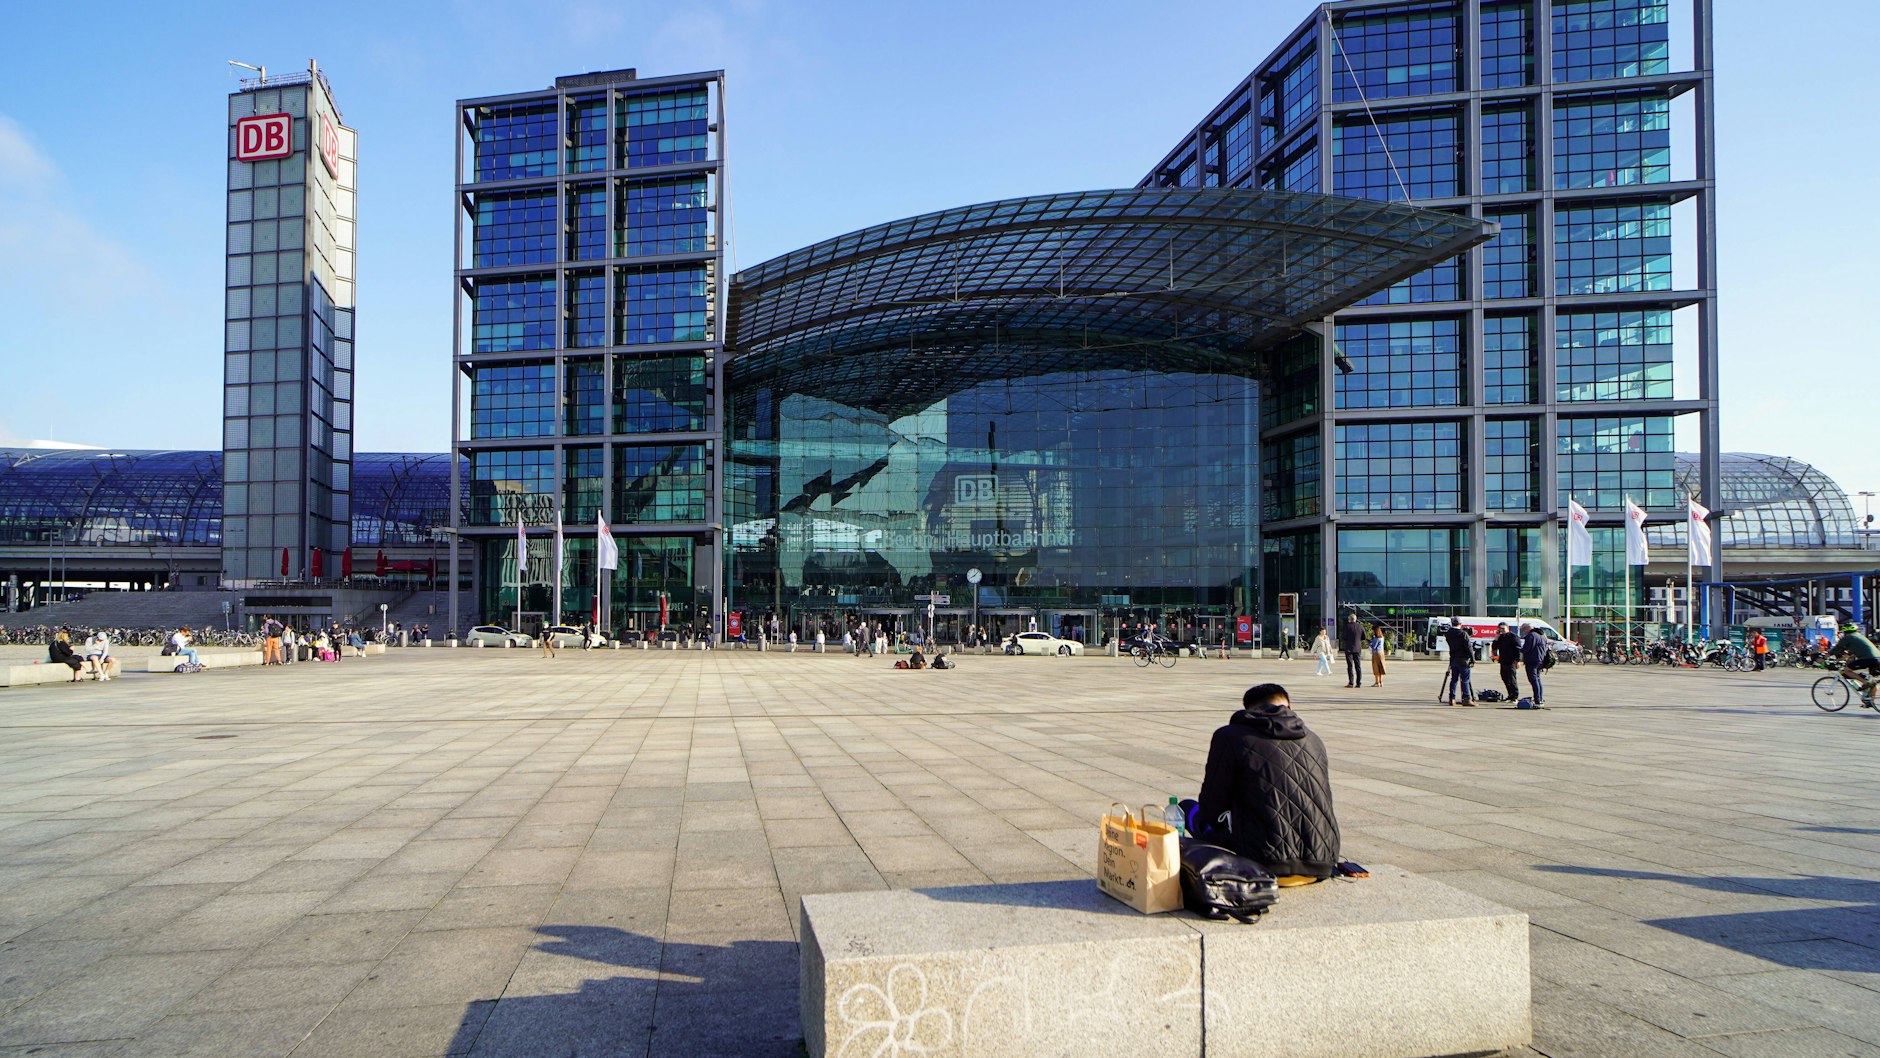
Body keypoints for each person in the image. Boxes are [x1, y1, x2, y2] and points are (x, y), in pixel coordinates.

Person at [1192, 683, 1341, 882]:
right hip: (1321, 862)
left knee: (1189, 810)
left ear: (1249, 709)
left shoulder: (1229, 735)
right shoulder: (1314, 739)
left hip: (1261, 861)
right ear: (1289, 707)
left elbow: (1211, 807)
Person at [1827, 624, 1880, 704]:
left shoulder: (1848, 637)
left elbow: (1837, 648)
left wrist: (1826, 656)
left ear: (1845, 632)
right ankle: (1870, 701)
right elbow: (1849, 654)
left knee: (1846, 670)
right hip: (1877, 659)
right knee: (1872, 682)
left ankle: (1865, 683)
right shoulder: (1858, 637)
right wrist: (1839, 660)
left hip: (1867, 658)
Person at [1442, 618, 1475, 705]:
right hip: (1463, 659)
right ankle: (1466, 699)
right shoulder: (1463, 634)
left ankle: (1452, 698)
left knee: (1454, 679)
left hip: (1453, 658)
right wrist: (1472, 659)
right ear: (1460, 624)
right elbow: (1468, 647)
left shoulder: (1448, 633)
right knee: (1465, 680)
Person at [1519, 622, 1548, 705]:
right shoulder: (1542, 635)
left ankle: (1537, 699)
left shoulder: (1531, 635)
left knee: (1533, 680)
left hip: (1531, 660)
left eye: (1523, 630)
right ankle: (1540, 697)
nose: (1523, 632)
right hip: (1540, 660)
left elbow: (1527, 649)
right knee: (1538, 679)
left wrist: (1519, 649)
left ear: (1527, 628)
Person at [1492, 622, 1522, 701]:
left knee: (1511, 678)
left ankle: (1515, 695)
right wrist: (1496, 637)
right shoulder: (1501, 637)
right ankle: (1510, 694)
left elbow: (1517, 649)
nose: (1502, 630)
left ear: (1507, 628)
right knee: (1504, 677)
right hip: (1503, 660)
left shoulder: (1513, 637)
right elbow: (1494, 647)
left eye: (1503, 628)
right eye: (1500, 629)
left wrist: (1518, 660)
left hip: (1511, 661)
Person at [1339, 613, 1364, 688]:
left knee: (1350, 666)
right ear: (1355, 619)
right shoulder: (1360, 626)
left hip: (1349, 648)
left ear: (1349, 619)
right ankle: (1358, 683)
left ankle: (1351, 683)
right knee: (1358, 665)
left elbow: (1343, 637)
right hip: (1357, 648)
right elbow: (1364, 637)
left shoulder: (1347, 626)